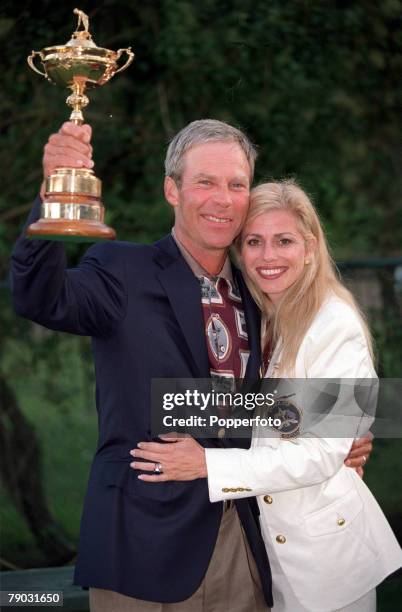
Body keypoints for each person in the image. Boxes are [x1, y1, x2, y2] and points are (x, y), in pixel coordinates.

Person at [10, 122, 370, 612]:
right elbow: (38, 297)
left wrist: (346, 427)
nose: (222, 199)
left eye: (236, 184)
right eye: (205, 182)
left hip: (242, 540)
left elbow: (258, 407)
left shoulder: (262, 292)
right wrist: (56, 190)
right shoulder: (120, 271)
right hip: (140, 544)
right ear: (172, 190)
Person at [130, 180, 402, 612]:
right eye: (254, 241)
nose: (267, 256)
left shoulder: (334, 323)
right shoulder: (262, 316)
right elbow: (273, 414)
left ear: (310, 247)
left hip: (326, 567)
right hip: (270, 558)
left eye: (284, 241)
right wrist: (350, 427)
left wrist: (205, 463)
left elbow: (316, 456)